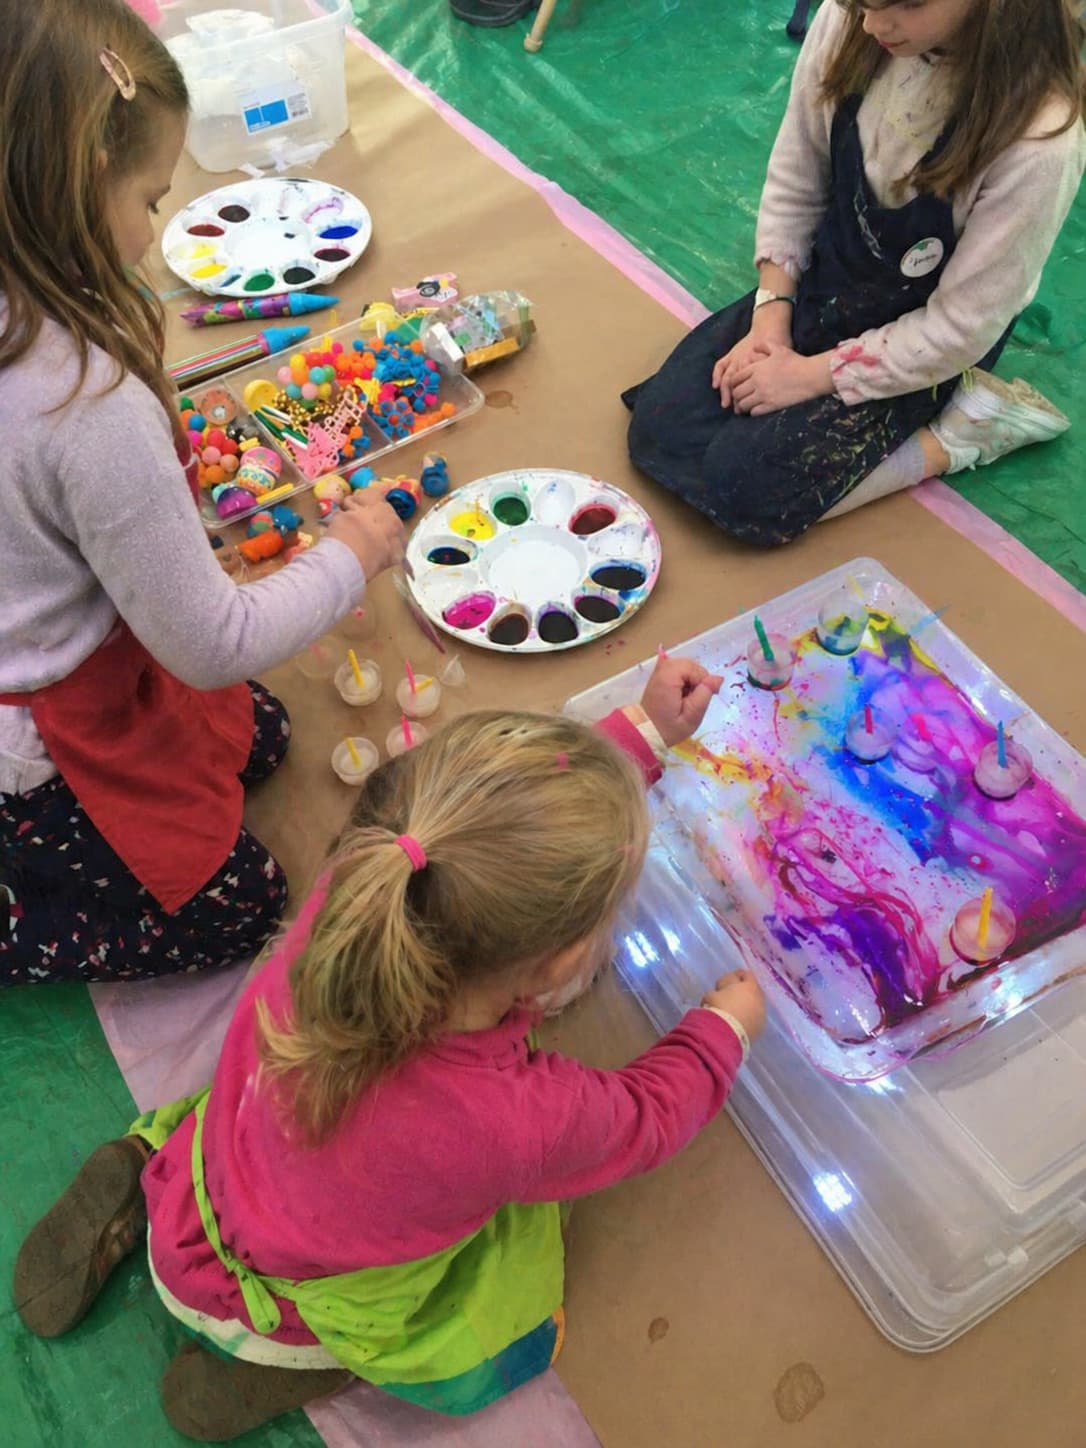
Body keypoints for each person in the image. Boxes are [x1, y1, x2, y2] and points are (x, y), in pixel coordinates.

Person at [14, 656, 768, 1441]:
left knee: (250, 1130)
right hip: (308, 1286)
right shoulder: (519, 1120)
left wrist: (641, 736)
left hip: (217, 1173)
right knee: (512, 1342)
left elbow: (493, 835)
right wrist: (724, 1029)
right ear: (559, 966)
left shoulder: (367, 887)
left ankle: (143, 1167)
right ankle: (287, 1361)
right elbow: (643, 1115)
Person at [0, 0, 405, 985]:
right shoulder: (84, 405)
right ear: (80, 178)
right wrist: (349, 555)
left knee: (257, 741)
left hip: (62, 630)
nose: (151, 233)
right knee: (244, 908)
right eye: (150, 198)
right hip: (39, 715)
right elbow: (211, 644)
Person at [623, 0, 1086, 544]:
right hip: (833, 280)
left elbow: (959, 327)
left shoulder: (1039, 143)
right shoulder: (851, 22)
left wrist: (810, 376)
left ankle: (963, 434)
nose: (872, 26)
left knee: (747, 489)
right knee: (663, 430)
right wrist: (769, 318)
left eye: (906, 6)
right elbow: (796, 178)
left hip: (926, 338)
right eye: (859, 4)